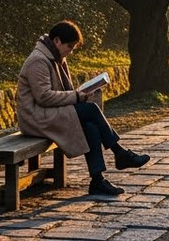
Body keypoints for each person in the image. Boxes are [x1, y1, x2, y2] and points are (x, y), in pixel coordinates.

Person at [17, 20, 150, 196]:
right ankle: (120, 153)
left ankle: (98, 180)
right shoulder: (38, 61)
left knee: (91, 126)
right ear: (57, 41)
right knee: (90, 110)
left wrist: (83, 92)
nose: (70, 52)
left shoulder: (56, 58)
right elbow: (44, 97)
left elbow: (63, 92)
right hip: (36, 117)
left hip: (50, 113)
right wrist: (77, 96)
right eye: (69, 47)